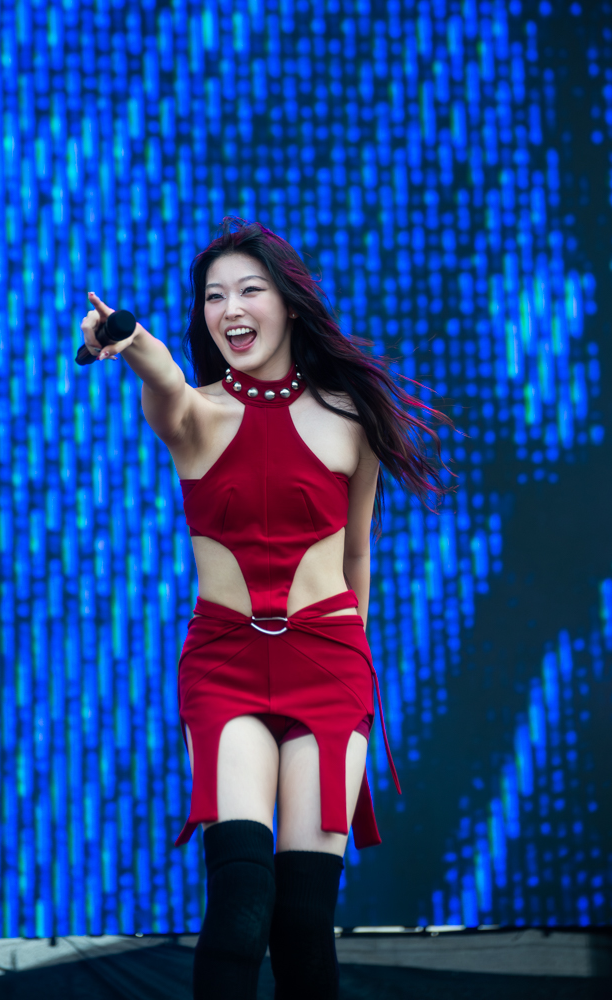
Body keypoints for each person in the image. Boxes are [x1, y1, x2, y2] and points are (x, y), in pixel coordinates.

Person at [80, 218, 447, 999]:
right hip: (225, 665)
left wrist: (356, 668)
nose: (230, 309)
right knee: (241, 903)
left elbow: (356, 557)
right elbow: (163, 375)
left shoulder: (350, 417)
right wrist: (127, 337)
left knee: (304, 922)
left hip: (329, 663)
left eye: (249, 290)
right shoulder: (194, 415)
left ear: (289, 303)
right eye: (214, 297)